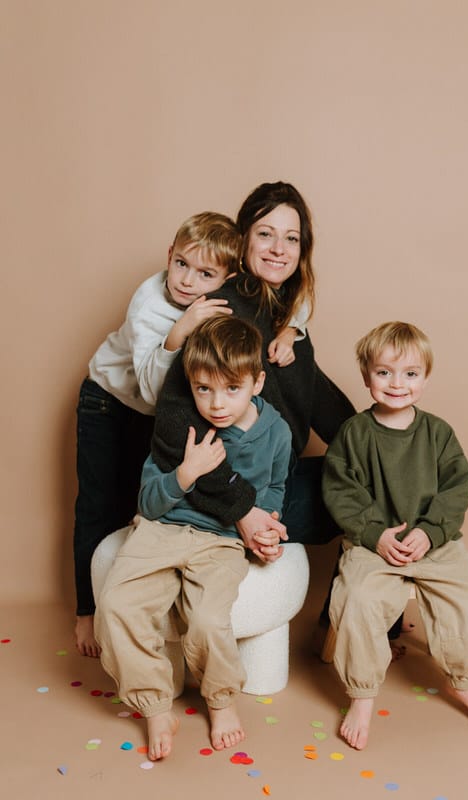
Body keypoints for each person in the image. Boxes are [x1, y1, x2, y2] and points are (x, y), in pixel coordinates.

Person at [94, 315, 292, 761]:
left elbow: (276, 488)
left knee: (206, 618)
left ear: (257, 383)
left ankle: (220, 700)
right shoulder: (184, 426)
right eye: (203, 389)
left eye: (231, 389)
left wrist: (269, 525)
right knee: (116, 605)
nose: (216, 403)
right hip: (161, 529)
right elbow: (148, 502)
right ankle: (154, 704)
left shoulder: (276, 433)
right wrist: (184, 475)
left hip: (221, 539)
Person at [322, 321, 468, 750]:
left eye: (409, 374)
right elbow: (341, 491)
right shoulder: (355, 434)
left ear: (425, 378)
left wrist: (430, 531)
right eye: (383, 372)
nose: (396, 384)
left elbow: (457, 489)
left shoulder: (437, 434)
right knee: (358, 600)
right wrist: (374, 533)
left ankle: (463, 679)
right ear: (366, 377)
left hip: (433, 542)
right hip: (373, 544)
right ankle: (362, 694)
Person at [151, 182, 356, 557]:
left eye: (291, 238)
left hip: (272, 481)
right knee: (369, 490)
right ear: (243, 240)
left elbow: (317, 397)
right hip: (226, 490)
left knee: (377, 473)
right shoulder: (224, 309)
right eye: (266, 234)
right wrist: (242, 508)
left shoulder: (284, 317)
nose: (279, 249)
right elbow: (172, 422)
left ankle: (361, 607)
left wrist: (382, 450)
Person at [73, 212, 241, 657]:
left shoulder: (220, 294)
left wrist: (291, 328)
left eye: (205, 274)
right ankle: (86, 612)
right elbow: (150, 390)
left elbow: (278, 293)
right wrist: (179, 331)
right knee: (98, 505)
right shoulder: (149, 304)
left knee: (144, 501)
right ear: (170, 254)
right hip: (108, 402)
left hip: (151, 413)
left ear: (226, 277)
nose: (187, 281)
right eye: (181, 264)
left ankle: (144, 609)